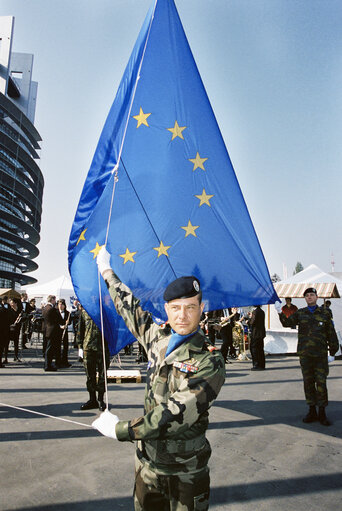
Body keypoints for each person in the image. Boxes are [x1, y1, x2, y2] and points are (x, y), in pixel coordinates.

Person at [92, 246, 226, 511]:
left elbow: (175, 413)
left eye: (190, 307)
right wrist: (107, 272)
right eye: (176, 308)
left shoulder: (209, 361)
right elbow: (129, 308)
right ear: (166, 309)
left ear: (202, 308)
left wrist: (120, 429)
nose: (182, 315)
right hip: (147, 466)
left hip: (185, 473)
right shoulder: (158, 338)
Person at [275, 288, 338, 426]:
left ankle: (322, 412)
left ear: (316, 297)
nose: (309, 297)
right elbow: (287, 323)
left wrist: (333, 352)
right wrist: (279, 311)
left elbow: (331, 333)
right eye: (307, 296)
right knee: (308, 383)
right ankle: (312, 411)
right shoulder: (300, 313)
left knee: (321, 384)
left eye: (312, 295)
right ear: (305, 298)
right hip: (305, 355)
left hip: (320, 355)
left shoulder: (325, 313)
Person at [77, 308, 110, 411]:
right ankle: (92, 399)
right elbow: (80, 329)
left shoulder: (105, 312)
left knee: (102, 375)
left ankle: (100, 399)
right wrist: (79, 346)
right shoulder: (85, 312)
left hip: (102, 348)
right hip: (88, 348)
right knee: (89, 375)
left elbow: (112, 329)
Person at [42, 295, 63, 371]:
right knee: (50, 349)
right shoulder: (52, 309)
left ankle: (47, 364)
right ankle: (48, 365)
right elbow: (58, 319)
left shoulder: (45, 308)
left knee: (48, 348)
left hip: (47, 330)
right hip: (52, 330)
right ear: (52, 300)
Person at [247, 305, 266, 370]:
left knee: (254, 348)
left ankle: (256, 364)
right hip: (261, 333)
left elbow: (253, 322)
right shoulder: (262, 311)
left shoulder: (255, 312)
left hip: (255, 333)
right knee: (260, 349)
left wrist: (248, 321)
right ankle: (262, 364)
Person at [57, 299, 72, 368]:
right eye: (59, 305)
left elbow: (70, 321)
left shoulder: (67, 313)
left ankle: (65, 361)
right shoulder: (56, 312)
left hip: (65, 331)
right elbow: (55, 322)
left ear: (64, 305)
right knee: (58, 347)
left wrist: (68, 323)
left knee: (65, 346)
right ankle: (58, 362)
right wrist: (61, 326)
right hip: (58, 331)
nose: (60, 306)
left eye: (62, 305)